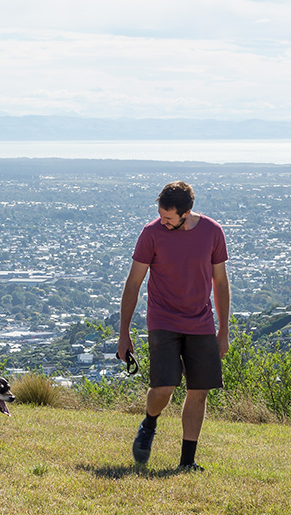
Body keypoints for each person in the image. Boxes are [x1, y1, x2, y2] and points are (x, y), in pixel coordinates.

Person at [116, 180, 231, 471]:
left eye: (169, 218)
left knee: (199, 390)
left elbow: (220, 282)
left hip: (201, 321)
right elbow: (134, 283)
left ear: (186, 212)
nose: (162, 221)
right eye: (160, 215)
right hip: (163, 319)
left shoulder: (212, 232)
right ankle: (150, 422)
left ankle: (187, 461)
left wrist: (223, 330)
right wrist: (124, 332)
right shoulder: (151, 233)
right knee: (164, 387)